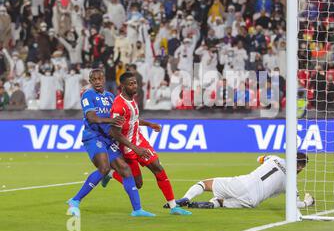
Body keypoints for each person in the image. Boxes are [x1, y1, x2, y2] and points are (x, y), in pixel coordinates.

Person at [67, 69, 155, 218]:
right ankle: (74, 201)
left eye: (99, 78)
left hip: (108, 139)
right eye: (93, 79)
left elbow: (125, 118)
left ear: (104, 79)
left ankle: (137, 210)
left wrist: (147, 124)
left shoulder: (110, 97)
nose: (97, 82)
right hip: (93, 137)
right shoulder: (87, 95)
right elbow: (92, 118)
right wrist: (111, 121)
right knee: (104, 167)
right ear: (90, 81)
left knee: (125, 169)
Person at [102, 72, 192, 216]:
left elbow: (134, 119)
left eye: (135, 83)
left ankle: (173, 206)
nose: (134, 86)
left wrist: (149, 124)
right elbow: (114, 133)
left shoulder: (132, 100)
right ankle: (111, 173)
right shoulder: (119, 106)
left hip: (140, 141)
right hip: (128, 148)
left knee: (158, 168)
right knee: (137, 184)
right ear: (123, 86)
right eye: (131, 84)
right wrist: (135, 148)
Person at [171, 152, 315, 209]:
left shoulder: (275, 158)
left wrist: (264, 161)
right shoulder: (291, 183)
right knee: (221, 202)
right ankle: (211, 204)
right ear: (301, 168)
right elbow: (296, 204)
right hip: (252, 201)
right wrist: (309, 201)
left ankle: (186, 198)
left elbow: (259, 158)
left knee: (205, 183)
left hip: (243, 184)